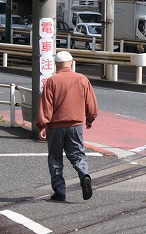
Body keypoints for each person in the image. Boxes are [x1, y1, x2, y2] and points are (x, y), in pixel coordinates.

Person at [36, 51, 98, 202]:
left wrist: (42, 125)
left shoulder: (52, 81)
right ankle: (84, 175)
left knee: (55, 158)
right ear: (71, 62)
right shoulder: (82, 79)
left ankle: (60, 191)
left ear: (57, 64)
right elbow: (91, 103)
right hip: (75, 125)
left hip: (56, 126)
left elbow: (46, 106)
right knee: (77, 155)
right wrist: (90, 118)